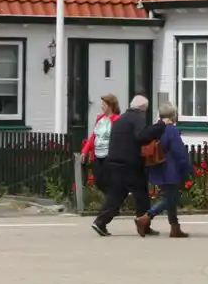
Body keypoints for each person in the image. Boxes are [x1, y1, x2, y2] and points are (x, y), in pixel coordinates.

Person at [91, 95, 165, 237]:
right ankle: (144, 225)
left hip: (114, 162)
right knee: (142, 196)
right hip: (130, 164)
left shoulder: (121, 119)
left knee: (116, 195)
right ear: (143, 109)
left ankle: (100, 222)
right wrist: (159, 126)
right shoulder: (137, 119)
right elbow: (142, 136)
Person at [144, 104, 193, 239]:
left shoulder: (155, 129)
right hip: (170, 170)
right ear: (173, 116)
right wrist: (188, 168)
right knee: (173, 198)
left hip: (158, 168)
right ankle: (146, 217)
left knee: (170, 197)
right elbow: (179, 152)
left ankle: (175, 228)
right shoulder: (171, 130)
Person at [80, 94, 122, 194]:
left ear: (111, 106)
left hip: (109, 155)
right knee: (98, 181)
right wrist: (84, 151)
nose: (101, 106)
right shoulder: (100, 119)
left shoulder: (117, 120)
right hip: (97, 154)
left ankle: (112, 202)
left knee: (109, 181)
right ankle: (112, 200)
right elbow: (93, 136)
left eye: (104, 104)